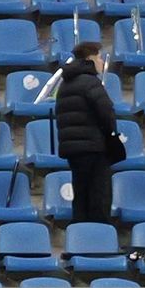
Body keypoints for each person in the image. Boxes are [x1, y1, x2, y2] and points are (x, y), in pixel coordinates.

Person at [54, 41, 118, 223]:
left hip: (73, 149)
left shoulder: (66, 84)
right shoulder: (91, 82)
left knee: (81, 197)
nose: (101, 62)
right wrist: (111, 137)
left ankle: (81, 240)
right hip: (94, 147)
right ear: (90, 58)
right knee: (99, 197)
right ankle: (100, 242)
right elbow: (106, 113)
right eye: (99, 57)